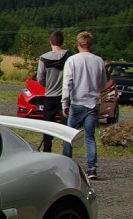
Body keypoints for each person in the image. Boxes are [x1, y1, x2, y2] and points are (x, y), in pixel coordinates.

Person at [61, 31, 104, 178]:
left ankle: (66, 165)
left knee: (69, 135)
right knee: (90, 136)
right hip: (93, 103)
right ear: (90, 44)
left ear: (78, 44)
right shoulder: (98, 61)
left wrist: (64, 103)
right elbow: (103, 82)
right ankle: (92, 168)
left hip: (77, 102)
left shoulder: (72, 60)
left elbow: (67, 83)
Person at [35, 30, 70, 152]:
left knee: (48, 127)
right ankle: (66, 152)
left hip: (50, 96)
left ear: (50, 42)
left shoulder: (44, 58)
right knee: (66, 128)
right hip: (64, 96)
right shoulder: (69, 56)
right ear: (62, 42)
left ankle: (47, 151)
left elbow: (40, 78)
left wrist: (48, 85)